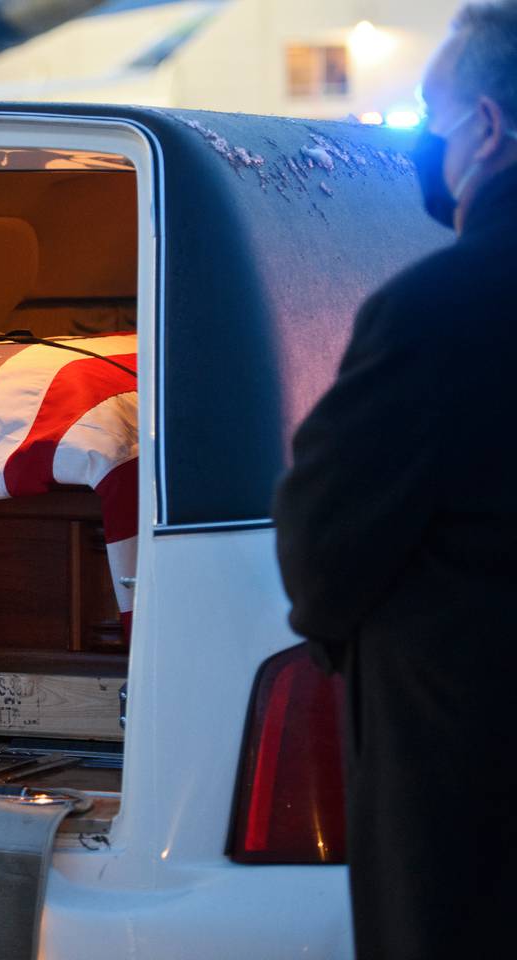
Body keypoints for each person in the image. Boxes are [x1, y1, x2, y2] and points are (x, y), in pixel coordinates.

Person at [272, 4, 517, 957]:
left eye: (432, 120)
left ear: (488, 129)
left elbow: (325, 538)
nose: (428, 147)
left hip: (475, 769)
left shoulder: (443, 308)